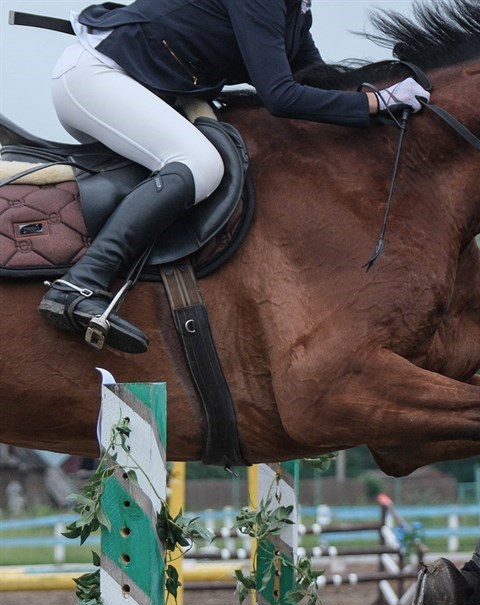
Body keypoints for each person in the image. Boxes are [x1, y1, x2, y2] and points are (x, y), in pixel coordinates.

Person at [38, 0, 429, 354]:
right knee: (201, 163)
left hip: (129, 86)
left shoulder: (296, 11)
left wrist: (383, 92)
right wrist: (377, 101)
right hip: (96, 77)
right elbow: (279, 95)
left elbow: (314, 78)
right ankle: (81, 282)